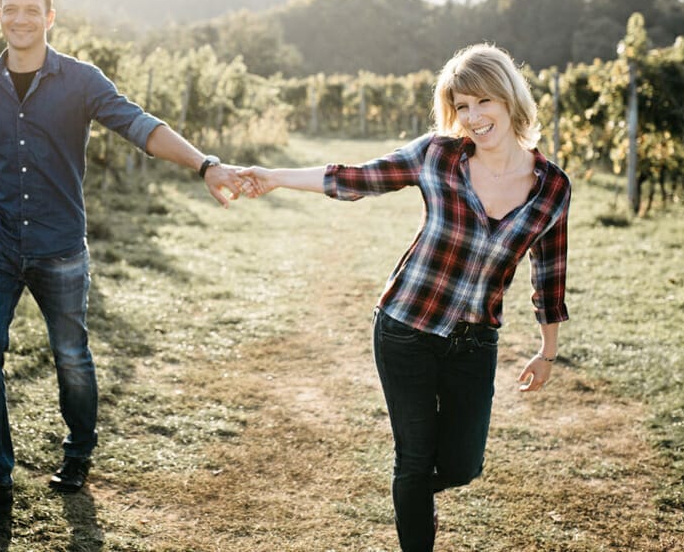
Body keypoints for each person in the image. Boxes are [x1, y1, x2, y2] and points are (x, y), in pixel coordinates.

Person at [239, 44, 571, 551]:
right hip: (405, 326)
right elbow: (356, 179)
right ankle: (415, 514)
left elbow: (548, 276)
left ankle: (413, 495)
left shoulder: (551, 189)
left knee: (463, 464)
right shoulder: (438, 154)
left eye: (484, 102)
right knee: (413, 459)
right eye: (462, 106)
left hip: (474, 340)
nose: (474, 117)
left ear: (509, 98)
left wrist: (547, 351)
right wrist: (274, 177)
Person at [0, 0, 244, 516]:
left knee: (71, 358)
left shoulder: (81, 80)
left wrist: (204, 163)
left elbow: (139, 126)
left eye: (31, 10)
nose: (20, 18)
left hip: (60, 249)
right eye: (10, 8)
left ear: (50, 17)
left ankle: (78, 452)